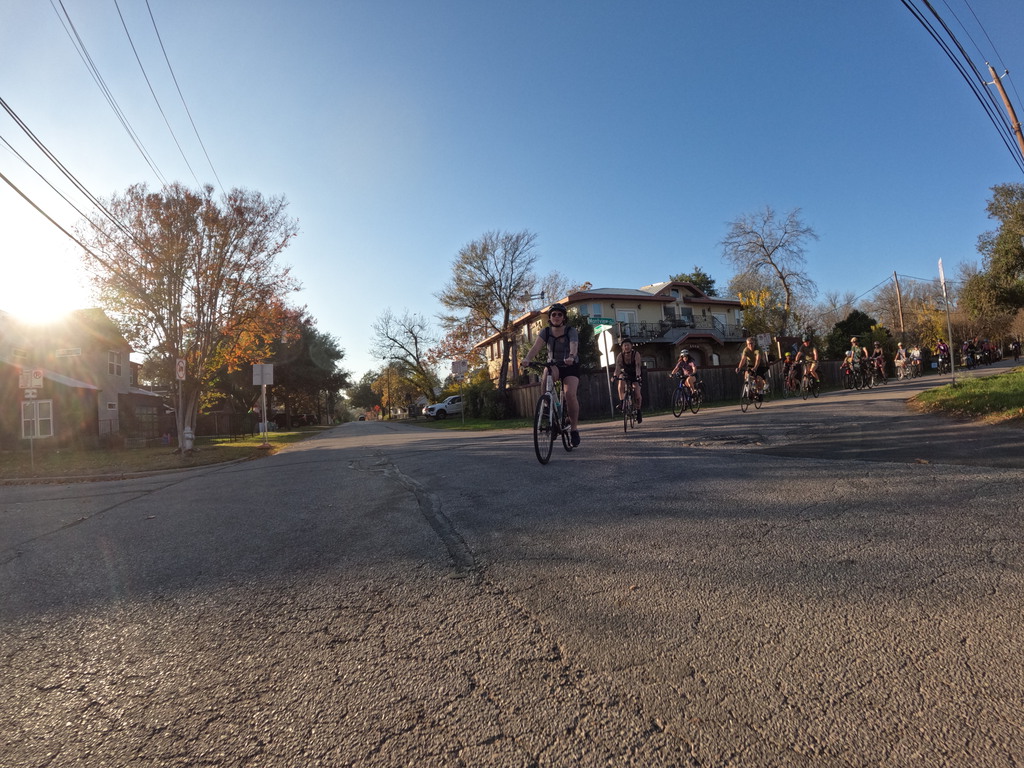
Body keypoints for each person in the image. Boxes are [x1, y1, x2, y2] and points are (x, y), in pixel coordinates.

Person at [521, 303, 581, 446]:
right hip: (554, 364)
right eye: (554, 314)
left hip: (570, 365)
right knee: (546, 379)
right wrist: (527, 359)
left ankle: (574, 429)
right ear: (550, 317)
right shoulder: (546, 332)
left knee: (570, 395)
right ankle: (549, 414)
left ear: (564, 317)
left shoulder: (571, 330)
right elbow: (536, 347)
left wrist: (571, 357)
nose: (556, 317)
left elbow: (574, 345)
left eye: (560, 314)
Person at [613, 337, 644, 423]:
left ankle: (638, 411)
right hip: (626, 373)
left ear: (631, 346)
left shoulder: (636, 354)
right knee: (620, 384)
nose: (626, 347)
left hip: (635, 373)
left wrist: (638, 376)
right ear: (622, 347)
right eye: (624, 345)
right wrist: (615, 376)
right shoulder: (620, 356)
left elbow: (638, 366)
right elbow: (617, 368)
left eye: (628, 345)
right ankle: (622, 402)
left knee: (637, 393)